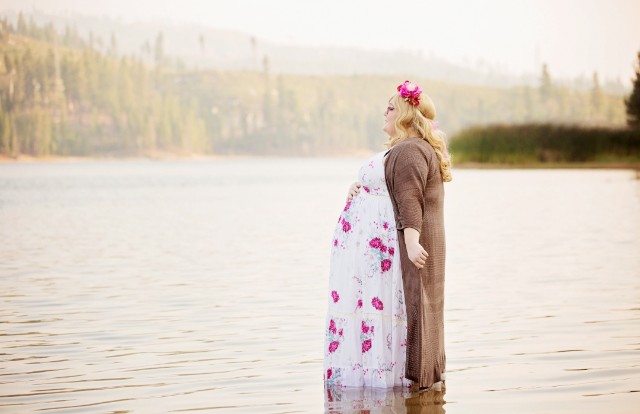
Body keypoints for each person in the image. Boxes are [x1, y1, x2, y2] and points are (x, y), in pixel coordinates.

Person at [323, 80, 451, 391]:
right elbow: (391, 189)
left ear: (405, 114)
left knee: (391, 313)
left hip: (385, 253)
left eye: (391, 108)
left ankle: (388, 384)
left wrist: (412, 241)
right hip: (372, 253)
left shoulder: (409, 150)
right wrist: (358, 188)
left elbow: (410, 198)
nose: (385, 112)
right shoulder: (404, 149)